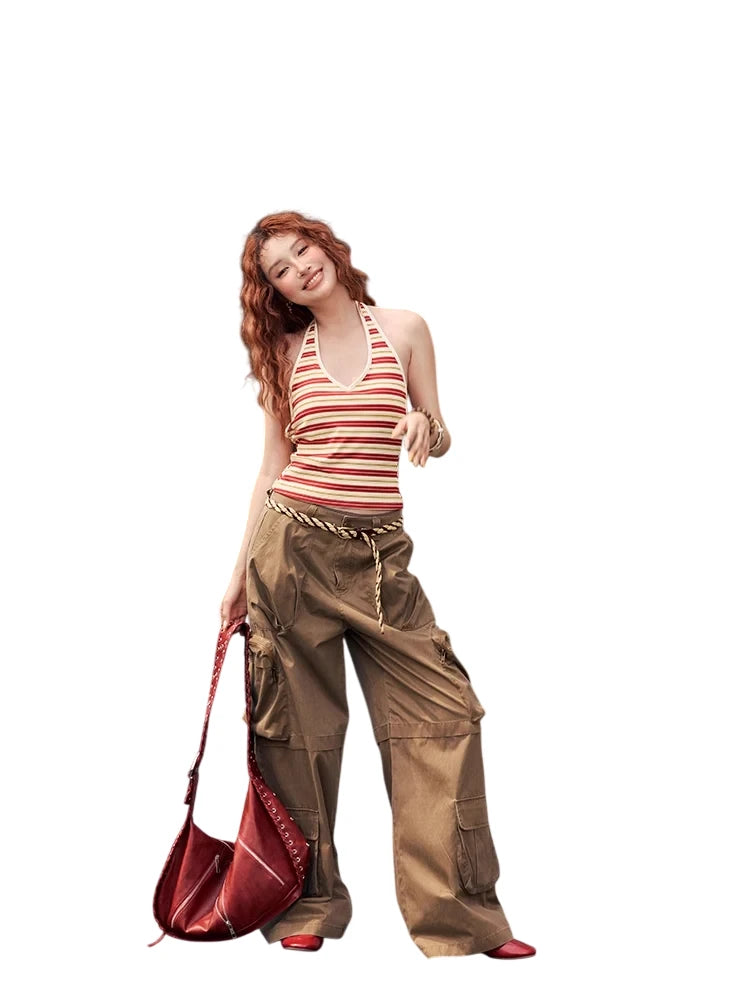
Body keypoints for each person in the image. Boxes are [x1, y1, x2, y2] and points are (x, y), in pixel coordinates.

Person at [219, 210, 536, 960]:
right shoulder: (286, 352)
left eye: (303, 250)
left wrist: (428, 427)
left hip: (381, 560)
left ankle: (461, 918)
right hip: (291, 550)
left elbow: (438, 428)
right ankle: (306, 906)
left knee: (444, 715)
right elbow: (272, 468)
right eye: (280, 270)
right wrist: (236, 578)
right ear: (277, 292)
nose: (300, 268)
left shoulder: (404, 329)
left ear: (328, 247)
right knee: (296, 732)